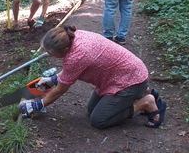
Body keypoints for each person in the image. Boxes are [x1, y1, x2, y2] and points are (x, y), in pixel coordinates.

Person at [18, 25, 166, 129]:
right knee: (92, 110)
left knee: (99, 120)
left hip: (130, 80)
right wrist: (53, 79)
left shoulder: (75, 57)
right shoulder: (73, 35)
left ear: (65, 50)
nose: (48, 55)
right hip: (123, 75)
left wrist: (39, 105)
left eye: (51, 53)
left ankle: (145, 102)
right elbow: (70, 72)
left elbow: (60, 90)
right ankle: (141, 92)